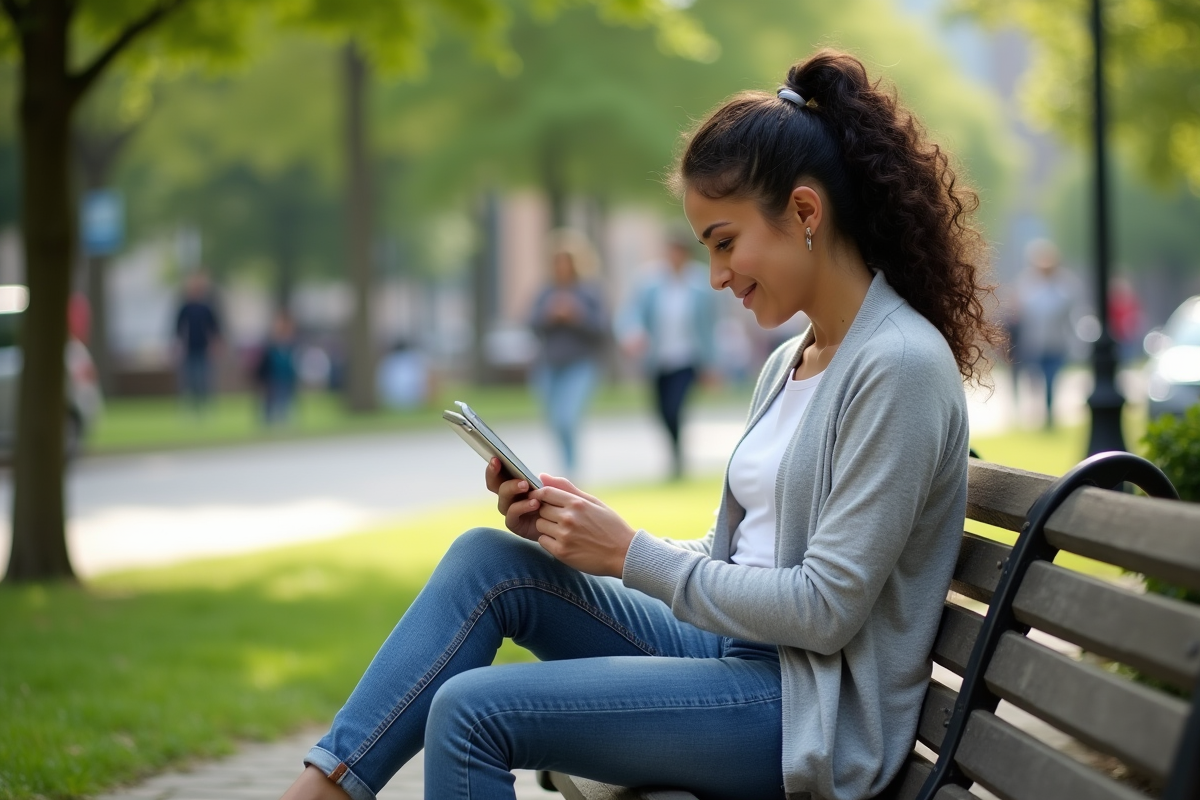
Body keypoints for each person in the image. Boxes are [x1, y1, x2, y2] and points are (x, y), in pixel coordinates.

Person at [280, 49, 1001, 800]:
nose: (717, 275)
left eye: (725, 241)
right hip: (732, 657)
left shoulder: (900, 366)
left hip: (804, 714)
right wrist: (586, 531)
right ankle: (323, 788)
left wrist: (629, 555)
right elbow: (746, 556)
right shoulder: (794, 358)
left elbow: (823, 609)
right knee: (487, 563)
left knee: (469, 713)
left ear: (806, 212)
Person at [618, 232, 718, 479]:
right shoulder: (649, 283)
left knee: (675, 408)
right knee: (660, 411)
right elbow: (630, 314)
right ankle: (674, 451)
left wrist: (712, 364)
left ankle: (678, 457)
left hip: (687, 358)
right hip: (657, 359)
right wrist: (632, 334)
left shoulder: (701, 285)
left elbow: (710, 328)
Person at [527, 230, 610, 476]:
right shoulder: (546, 292)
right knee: (554, 421)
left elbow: (603, 328)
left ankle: (571, 472)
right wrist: (550, 314)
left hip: (580, 364)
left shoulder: (589, 292)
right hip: (549, 365)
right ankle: (565, 467)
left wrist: (576, 315)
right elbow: (530, 323)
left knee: (567, 418)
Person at [1015, 239, 1080, 429]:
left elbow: (1066, 310)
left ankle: (1049, 415)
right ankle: (1038, 414)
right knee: (1035, 382)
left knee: (1051, 380)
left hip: (1056, 343)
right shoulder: (1028, 283)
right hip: (1035, 343)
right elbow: (1025, 311)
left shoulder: (1064, 285)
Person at [174, 271, 221, 414]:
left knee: (204, 379)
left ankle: (205, 406)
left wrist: (215, 344)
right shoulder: (185, 308)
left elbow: (214, 328)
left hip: (203, 349)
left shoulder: (206, 308)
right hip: (189, 349)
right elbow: (178, 327)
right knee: (190, 379)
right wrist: (178, 345)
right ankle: (192, 407)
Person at [254, 311, 299, 426]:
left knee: (285, 402)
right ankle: (268, 422)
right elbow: (264, 363)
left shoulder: (292, 344)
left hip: (286, 377)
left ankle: (283, 422)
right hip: (272, 378)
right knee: (269, 402)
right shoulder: (271, 344)